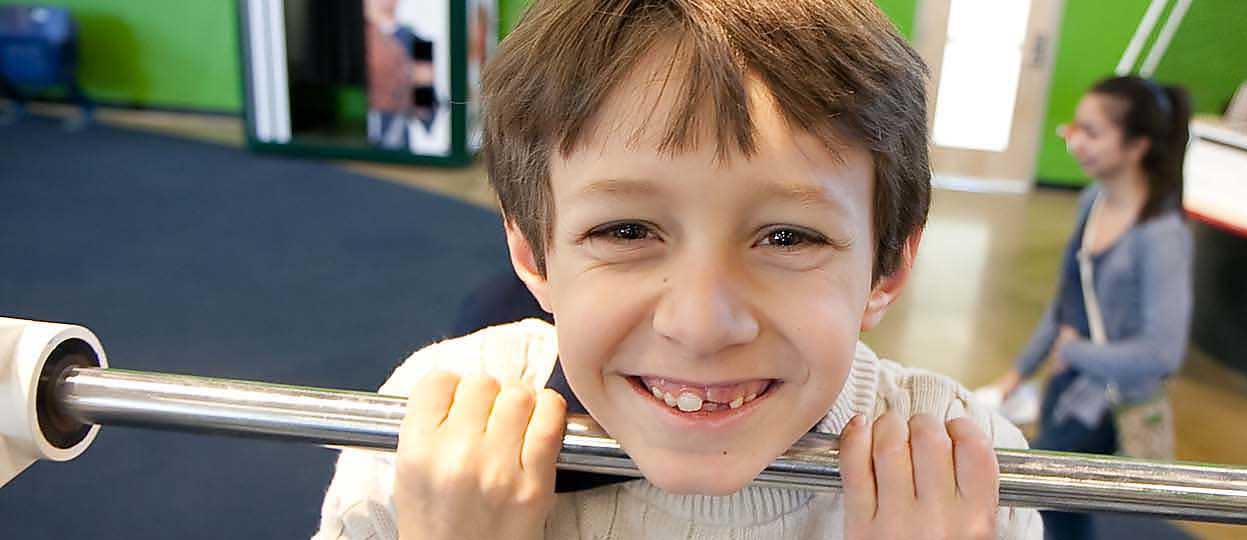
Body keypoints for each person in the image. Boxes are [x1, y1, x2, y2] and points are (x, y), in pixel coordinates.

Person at [314, 0, 1042, 538]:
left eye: (788, 237)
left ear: (887, 269)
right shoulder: (425, 431)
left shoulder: (968, 473)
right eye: (626, 229)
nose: (700, 325)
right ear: (534, 253)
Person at [989, 76, 1195, 540]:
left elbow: (1163, 353)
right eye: (1074, 128)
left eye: (1092, 131)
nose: (1075, 141)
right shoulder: (1092, 201)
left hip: (1107, 405)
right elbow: (1065, 304)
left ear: (1137, 146)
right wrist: (1017, 373)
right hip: (1066, 389)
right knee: (1059, 510)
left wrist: (1078, 353)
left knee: (1047, 504)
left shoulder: (1160, 237)